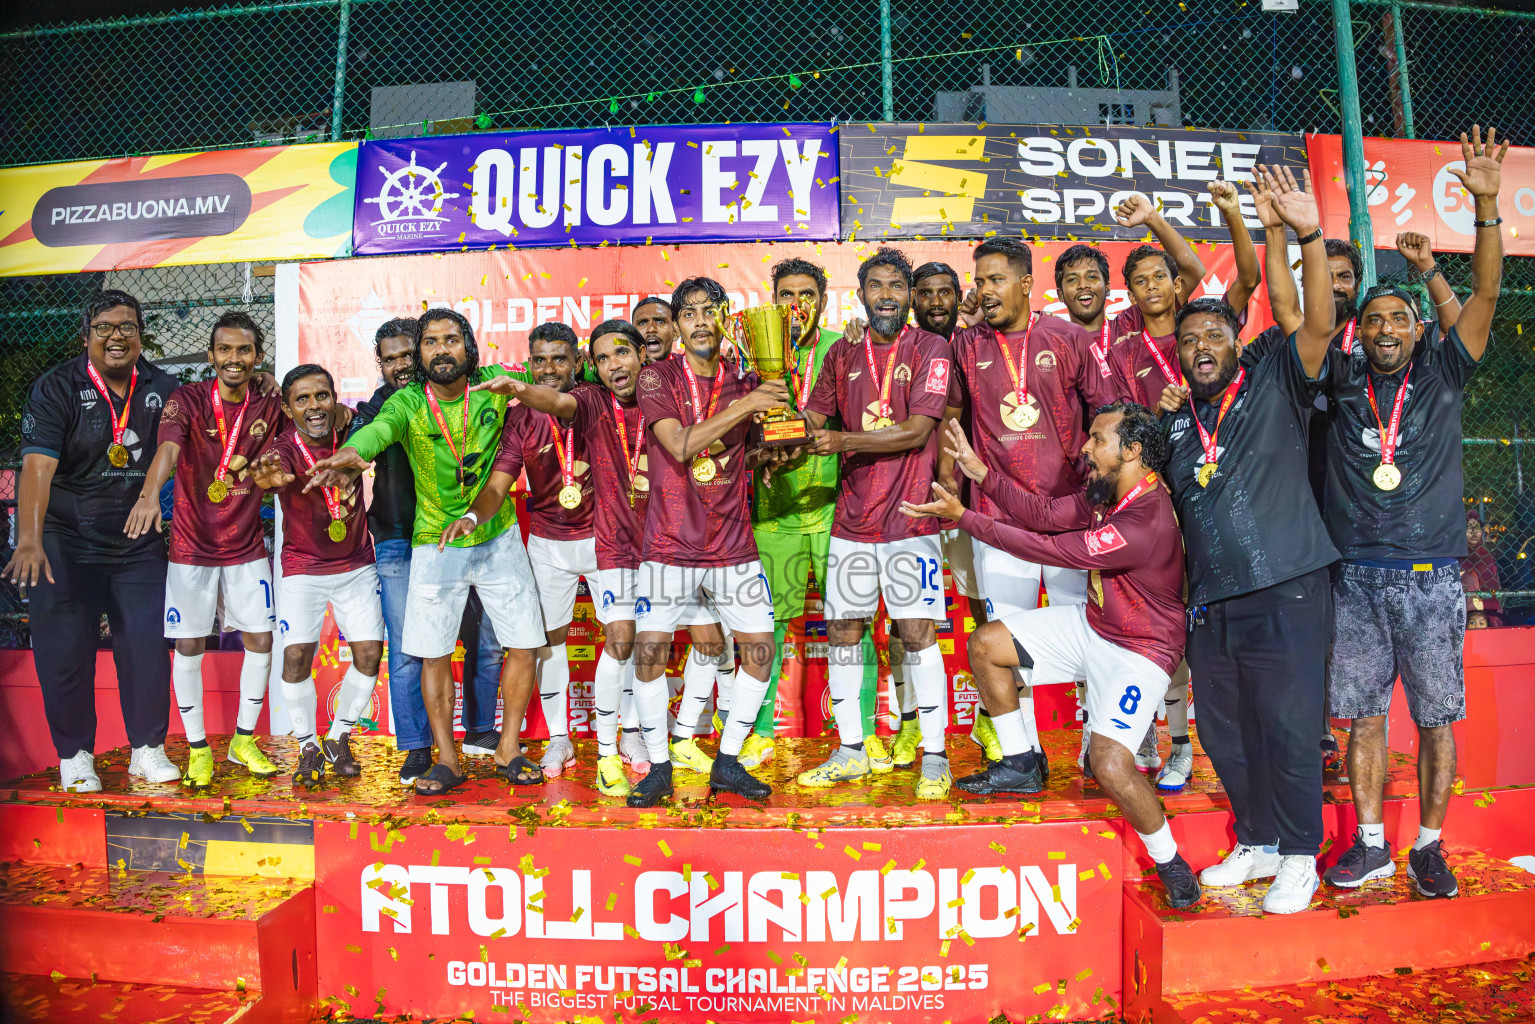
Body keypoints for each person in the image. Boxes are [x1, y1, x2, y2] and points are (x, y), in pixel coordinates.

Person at [905, 405, 1200, 908]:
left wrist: (965, 518)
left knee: (1108, 764)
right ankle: (1021, 762)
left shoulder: (1145, 516)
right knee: (986, 645)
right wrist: (981, 475)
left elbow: (1051, 550)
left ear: (1132, 451)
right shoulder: (1110, 491)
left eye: (1097, 439)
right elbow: (1042, 514)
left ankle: (1170, 860)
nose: (1086, 448)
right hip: (1095, 626)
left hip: (1140, 651)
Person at [1318, 127, 1508, 900]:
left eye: (1397, 319)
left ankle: (1428, 846)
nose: (1386, 330)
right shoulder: (1335, 380)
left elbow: (1487, 295)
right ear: (1359, 334)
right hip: (1356, 578)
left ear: (1416, 328)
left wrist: (1484, 207)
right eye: (1374, 322)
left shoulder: (1442, 372)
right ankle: (1369, 844)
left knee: (1434, 720)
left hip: (1431, 580)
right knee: (1362, 719)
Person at [1155, 162, 1340, 914]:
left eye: (1213, 334)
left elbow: (1318, 323)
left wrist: (1302, 233)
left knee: (1290, 728)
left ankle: (1300, 855)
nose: (1201, 345)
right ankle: (1259, 840)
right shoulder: (1170, 419)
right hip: (1213, 603)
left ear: (1236, 341)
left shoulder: (1274, 381)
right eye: (1189, 338)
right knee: (1228, 736)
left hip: (1289, 586)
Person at [308, 309, 546, 795]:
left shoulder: (497, 383)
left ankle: (508, 748)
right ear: (419, 354)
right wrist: (354, 455)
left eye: (452, 340)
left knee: (523, 643)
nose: (442, 350)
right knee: (433, 654)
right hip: (435, 539)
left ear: (470, 347)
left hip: (497, 533)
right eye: (431, 342)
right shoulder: (409, 402)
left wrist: (529, 387)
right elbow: (377, 432)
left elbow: (559, 376)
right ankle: (448, 759)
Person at [1105, 179, 1259, 789]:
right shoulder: (1123, 345)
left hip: (1212, 492)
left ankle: (1192, 740)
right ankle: (1157, 733)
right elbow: (1120, 419)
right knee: (1155, 618)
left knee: (1202, 622)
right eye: (1138, 280)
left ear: (1177, 284)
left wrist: (1152, 218)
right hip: (1154, 503)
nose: (1149, 288)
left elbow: (1222, 268)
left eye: (1159, 278)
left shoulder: (1203, 330)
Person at [948, 236, 1119, 774]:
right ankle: (1024, 756)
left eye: (995, 280)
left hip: (1070, 518)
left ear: (1025, 283)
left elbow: (1111, 414)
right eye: (979, 282)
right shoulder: (966, 345)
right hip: (1000, 521)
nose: (984, 290)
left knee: (1090, 637)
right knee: (1004, 644)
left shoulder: (1069, 337)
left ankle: (1100, 749)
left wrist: (1102, 493)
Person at [797, 247, 961, 799]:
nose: (886, 295)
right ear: (861, 293)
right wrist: (775, 418)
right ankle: (850, 750)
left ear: (908, 295)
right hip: (852, 520)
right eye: (876, 286)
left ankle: (935, 755)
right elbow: (811, 420)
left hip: (913, 520)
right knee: (845, 631)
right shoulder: (842, 353)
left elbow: (918, 431)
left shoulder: (931, 347)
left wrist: (843, 441)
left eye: (896, 286)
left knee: (917, 634)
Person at [6, 290, 182, 792]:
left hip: (134, 537)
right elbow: (37, 466)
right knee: (65, 650)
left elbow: (180, 440)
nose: (116, 336)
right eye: (104, 327)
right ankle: (75, 756)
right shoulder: (56, 387)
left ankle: (146, 750)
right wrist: (30, 539)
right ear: (86, 335)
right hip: (63, 537)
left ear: (141, 335)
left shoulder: (164, 387)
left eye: (127, 326)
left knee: (147, 647)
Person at [626, 276, 789, 806]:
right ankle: (658, 768)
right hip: (670, 544)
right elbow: (679, 446)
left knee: (760, 651)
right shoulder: (657, 378)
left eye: (709, 310)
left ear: (724, 319)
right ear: (675, 326)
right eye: (688, 312)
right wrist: (749, 405)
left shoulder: (747, 378)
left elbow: (755, 443)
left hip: (732, 542)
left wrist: (780, 443)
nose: (699, 320)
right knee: (649, 656)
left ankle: (728, 761)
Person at [125, 312, 283, 786]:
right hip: (192, 546)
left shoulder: (268, 402)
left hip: (246, 544)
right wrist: (150, 494)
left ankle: (243, 740)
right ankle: (197, 748)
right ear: (211, 355)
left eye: (245, 350)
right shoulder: (187, 399)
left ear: (257, 356)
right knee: (189, 644)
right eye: (226, 350)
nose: (235, 359)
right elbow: (168, 451)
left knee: (260, 639)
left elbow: (312, 413)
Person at [747, 258, 881, 771]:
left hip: (834, 511)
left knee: (850, 624)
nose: (796, 304)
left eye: (806, 294)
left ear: (823, 301)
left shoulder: (846, 347)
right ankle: (757, 731)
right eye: (786, 294)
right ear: (773, 298)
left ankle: (864, 732)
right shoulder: (749, 352)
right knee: (766, 629)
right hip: (773, 513)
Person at [251, 365, 382, 787]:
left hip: (357, 563)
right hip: (303, 567)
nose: (314, 406)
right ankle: (307, 745)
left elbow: (361, 427)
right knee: (295, 658)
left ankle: (338, 736)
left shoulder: (353, 432)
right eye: (302, 400)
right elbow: (269, 469)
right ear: (288, 409)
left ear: (334, 398)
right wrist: (267, 478)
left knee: (368, 655)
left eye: (321, 396)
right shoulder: (283, 448)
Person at [487, 321, 599, 778]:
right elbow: (501, 479)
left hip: (605, 537)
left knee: (622, 636)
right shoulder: (519, 416)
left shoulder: (596, 399)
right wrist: (474, 514)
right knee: (549, 642)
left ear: (577, 362)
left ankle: (629, 731)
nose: (549, 368)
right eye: (540, 360)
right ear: (528, 361)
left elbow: (557, 401)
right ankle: (559, 740)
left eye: (559, 359)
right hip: (548, 542)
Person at [1463, 514, 1502, 625]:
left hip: (1488, 614)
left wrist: (1484, 604)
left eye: (1477, 527)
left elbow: (1496, 589)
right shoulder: (1457, 558)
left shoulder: (1487, 557)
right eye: (1469, 527)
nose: (1474, 532)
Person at [633, 296, 678, 364]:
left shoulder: (692, 370)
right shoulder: (624, 372)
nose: (651, 329)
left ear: (675, 332)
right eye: (642, 323)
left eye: (660, 322)